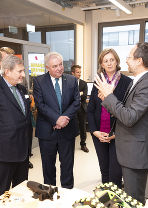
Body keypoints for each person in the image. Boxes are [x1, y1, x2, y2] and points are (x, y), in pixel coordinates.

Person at [94, 42, 148, 204]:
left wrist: (109, 96)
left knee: (133, 202)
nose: (126, 61)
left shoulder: (146, 83)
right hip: (130, 151)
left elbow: (130, 117)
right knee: (128, 200)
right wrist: (108, 98)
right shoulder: (138, 80)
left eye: (129, 57)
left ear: (139, 60)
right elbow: (125, 111)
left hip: (136, 154)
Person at [33, 52, 80, 189]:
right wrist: (56, 119)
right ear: (47, 67)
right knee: (48, 167)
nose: (59, 68)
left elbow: (76, 102)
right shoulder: (39, 81)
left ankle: (67, 193)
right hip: (47, 132)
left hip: (68, 131)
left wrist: (64, 119)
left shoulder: (71, 80)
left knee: (67, 166)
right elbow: (40, 105)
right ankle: (50, 193)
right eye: (55, 66)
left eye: (60, 64)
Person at [88, 48, 131, 188]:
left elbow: (127, 110)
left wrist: (115, 134)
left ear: (117, 61)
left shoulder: (127, 82)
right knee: (104, 168)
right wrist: (94, 131)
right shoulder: (98, 81)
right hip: (99, 133)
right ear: (101, 64)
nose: (109, 63)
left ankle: (116, 202)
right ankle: (105, 197)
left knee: (116, 172)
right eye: (106, 61)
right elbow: (91, 109)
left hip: (117, 134)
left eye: (112, 60)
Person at [0, 55, 31, 195]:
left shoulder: (22, 90)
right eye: (20, 71)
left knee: (21, 192)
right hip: (4, 156)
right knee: (3, 195)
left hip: (23, 153)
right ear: (7, 71)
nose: (23, 75)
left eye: (23, 71)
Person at [71, 65, 89, 153]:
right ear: (72, 73)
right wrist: (79, 93)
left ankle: (83, 144)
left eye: (80, 72)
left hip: (81, 108)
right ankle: (70, 145)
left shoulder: (83, 83)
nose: (79, 74)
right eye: (78, 72)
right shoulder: (69, 83)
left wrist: (77, 95)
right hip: (72, 109)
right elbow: (69, 97)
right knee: (72, 127)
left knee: (83, 127)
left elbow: (84, 96)